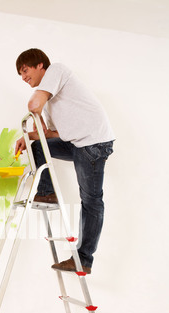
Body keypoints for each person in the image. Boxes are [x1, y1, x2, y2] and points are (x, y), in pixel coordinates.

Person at [15, 48, 115, 274]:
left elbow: (33, 106)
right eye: (20, 74)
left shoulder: (56, 70)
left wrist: (37, 116)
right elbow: (54, 133)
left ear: (41, 65)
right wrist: (27, 136)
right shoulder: (51, 100)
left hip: (94, 143)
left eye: (25, 70)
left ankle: (84, 258)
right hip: (78, 143)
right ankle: (47, 192)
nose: (23, 78)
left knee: (91, 200)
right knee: (39, 145)